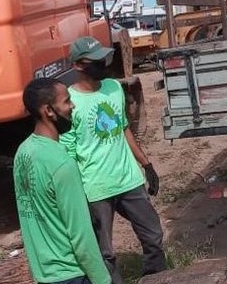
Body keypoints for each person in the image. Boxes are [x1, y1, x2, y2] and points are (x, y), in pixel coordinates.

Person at [60, 36, 164, 283]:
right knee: (104, 252)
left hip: (128, 179)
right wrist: (76, 194)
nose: (102, 64)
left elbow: (124, 128)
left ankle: (158, 277)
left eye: (103, 58)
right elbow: (69, 153)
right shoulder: (68, 103)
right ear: (78, 65)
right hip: (96, 188)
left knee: (153, 235)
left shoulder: (114, 88)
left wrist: (146, 164)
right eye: (94, 61)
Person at [13, 78, 111, 284]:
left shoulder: (23, 153)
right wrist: (103, 280)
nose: (73, 106)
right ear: (48, 110)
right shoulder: (62, 164)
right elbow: (81, 235)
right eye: (67, 101)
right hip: (72, 274)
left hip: (44, 275)